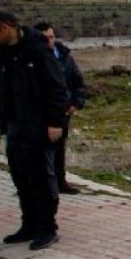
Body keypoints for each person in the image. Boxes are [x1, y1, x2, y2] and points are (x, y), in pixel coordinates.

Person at [0, 8, 69, 251]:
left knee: (41, 178)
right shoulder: (1, 55)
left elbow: (57, 87)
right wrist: (3, 121)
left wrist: (56, 122)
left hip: (39, 126)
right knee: (20, 178)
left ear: (5, 27)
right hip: (15, 126)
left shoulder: (37, 50)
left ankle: (47, 228)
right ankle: (29, 225)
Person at [34, 22, 86, 195]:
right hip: (39, 113)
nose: (49, 41)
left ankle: (60, 183)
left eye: (51, 37)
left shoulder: (65, 57)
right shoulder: (32, 59)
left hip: (62, 111)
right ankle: (42, 185)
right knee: (40, 151)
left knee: (59, 149)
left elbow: (78, 83)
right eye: (45, 38)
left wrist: (75, 103)